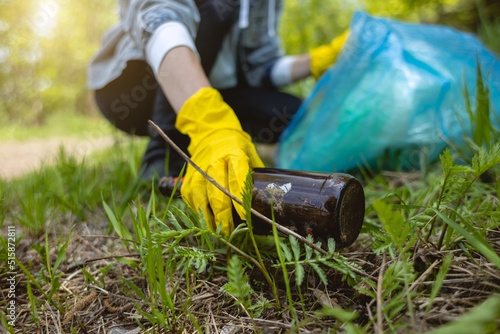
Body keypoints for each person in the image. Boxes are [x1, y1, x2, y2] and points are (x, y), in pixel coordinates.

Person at [88, 0, 348, 235]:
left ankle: (214, 142)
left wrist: (315, 60)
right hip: (137, 82)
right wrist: (208, 120)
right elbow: (160, 14)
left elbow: (262, 68)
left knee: (293, 114)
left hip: (219, 87)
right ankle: (163, 155)